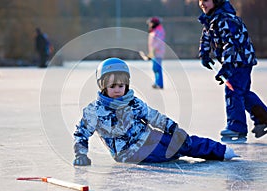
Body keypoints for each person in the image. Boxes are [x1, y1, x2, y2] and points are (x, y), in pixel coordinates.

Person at [73, 57, 238, 166]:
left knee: (184, 141)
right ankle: (195, 151)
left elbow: (154, 117)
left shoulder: (134, 103)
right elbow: (81, 133)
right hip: (130, 153)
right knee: (172, 150)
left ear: (127, 85)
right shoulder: (94, 111)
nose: (117, 90)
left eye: (121, 86)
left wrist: (173, 128)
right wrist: (81, 154)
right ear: (103, 86)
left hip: (150, 137)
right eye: (112, 86)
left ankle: (221, 151)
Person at [198, 0, 267, 143]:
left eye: (206, 0)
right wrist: (204, 54)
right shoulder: (210, 20)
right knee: (242, 92)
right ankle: (263, 117)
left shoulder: (226, 19)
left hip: (239, 61)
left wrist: (227, 67)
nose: (202, 4)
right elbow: (206, 38)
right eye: (200, 1)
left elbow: (232, 44)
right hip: (235, 61)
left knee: (233, 92)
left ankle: (237, 128)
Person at [146, 17, 165, 89]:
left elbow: (159, 42)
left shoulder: (159, 31)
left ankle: (160, 83)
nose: (149, 24)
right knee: (155, 68)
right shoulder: (153, 31)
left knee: (157, 68)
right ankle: (157, 82)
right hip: (154, 53)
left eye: (150, 23)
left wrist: (153, 50)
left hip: (158, 53)